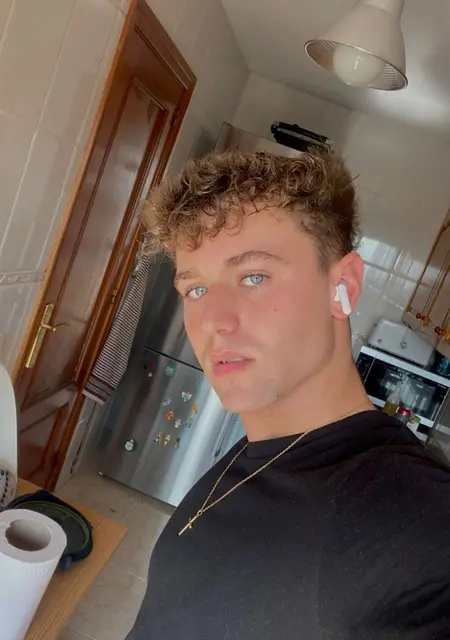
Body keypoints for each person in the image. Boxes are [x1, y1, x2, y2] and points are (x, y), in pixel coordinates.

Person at [127, 149, 450, 639]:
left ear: (343, 287)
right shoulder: (262, 448)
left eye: (253, 277)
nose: (213, 322)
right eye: (195, 290)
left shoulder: (399, 511)